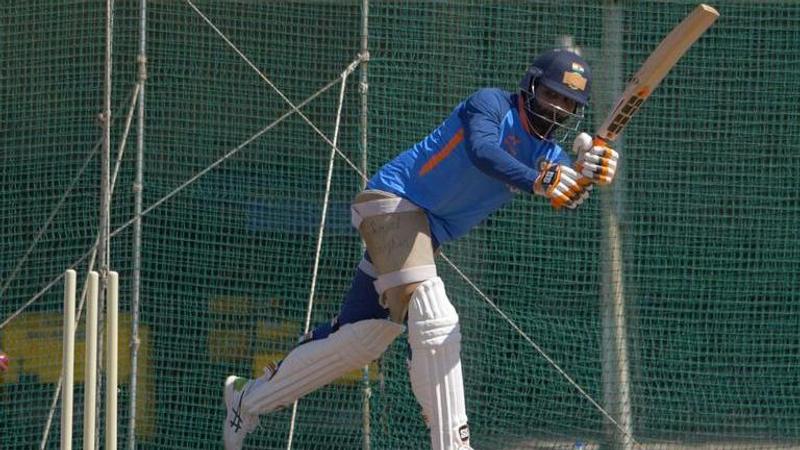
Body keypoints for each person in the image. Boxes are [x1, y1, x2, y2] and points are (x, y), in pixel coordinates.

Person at [223, 48, 618, 450]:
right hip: (392, 203)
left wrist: (589, 173)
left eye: (569, 103)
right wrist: (541, 180)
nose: (558, 109)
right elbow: (484, 152)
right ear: (530, 86)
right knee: (435, 315)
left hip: (425, 236)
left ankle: (247, 398)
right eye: (553, 95)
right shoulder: (491, 104)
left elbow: (563, 192)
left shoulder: (548, 154)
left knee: (363, 338)